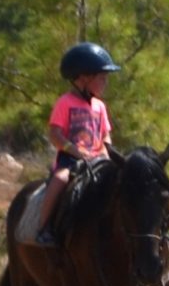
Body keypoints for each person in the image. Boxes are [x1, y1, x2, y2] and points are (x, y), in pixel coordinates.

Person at [39, 42, 119, 245]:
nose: (105, 83)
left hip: (97, 160)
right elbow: (55, 134)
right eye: (101, 77)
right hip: (70, 160)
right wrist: (74, 151)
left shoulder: (100, 106)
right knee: (60, 179)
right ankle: (43, 226)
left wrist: (105, 153)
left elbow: (106, 136)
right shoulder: (65, 102)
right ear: (83, 78)